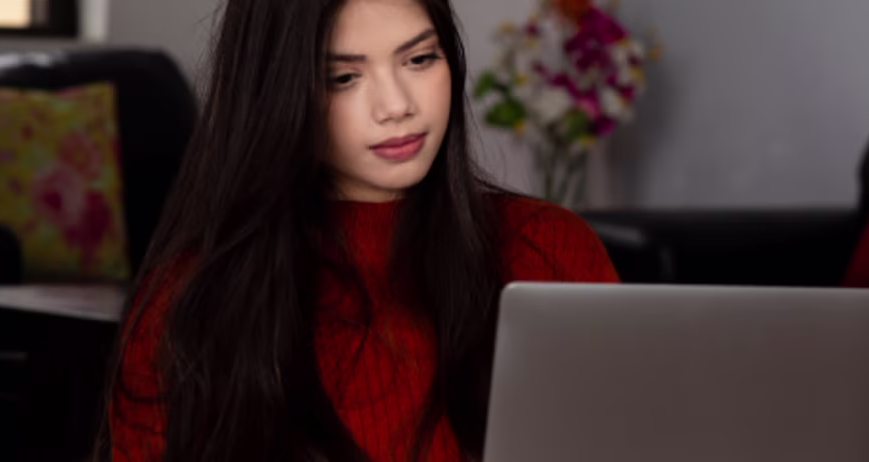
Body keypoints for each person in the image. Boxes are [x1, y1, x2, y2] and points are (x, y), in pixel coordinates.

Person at [101, 0, 618, 460]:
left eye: (419, 59)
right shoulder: (188, 305)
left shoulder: (549, 248)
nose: (396, 106)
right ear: (276, 95)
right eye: (343, 78)